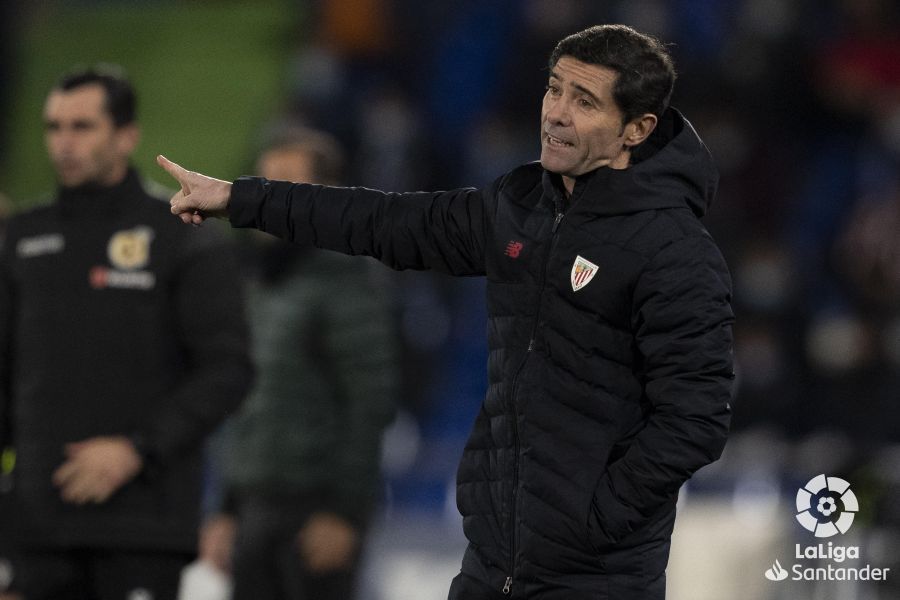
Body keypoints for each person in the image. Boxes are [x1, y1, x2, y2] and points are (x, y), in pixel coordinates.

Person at [160, 24, 734, 600]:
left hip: (596, 579)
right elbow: (383, 223)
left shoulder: (674, 250)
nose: (556, 113)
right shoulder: (519, 205)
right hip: (491, 564)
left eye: (584, 102)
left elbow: (696, 417)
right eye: (554, 89)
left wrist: (596, 521)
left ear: (637, 128)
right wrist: (241, 200)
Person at [0, 65, 253, 600]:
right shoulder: (21, 239)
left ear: (127, 135)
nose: (64, 143)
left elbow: (228, 371)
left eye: (82, 127)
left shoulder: (181, 236)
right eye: (54, 127)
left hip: (144, 526)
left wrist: (137, 449)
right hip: (36, 529)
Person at [193, 128, 399, 600]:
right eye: (264, 185)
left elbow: (370, 404)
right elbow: (243, 404)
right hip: (253, 509)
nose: (269, 202)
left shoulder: (346, 282)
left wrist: (344, 513)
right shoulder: (258, 281)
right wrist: (226, 508)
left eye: (285, 187)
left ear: (324, 198)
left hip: (315, 515)